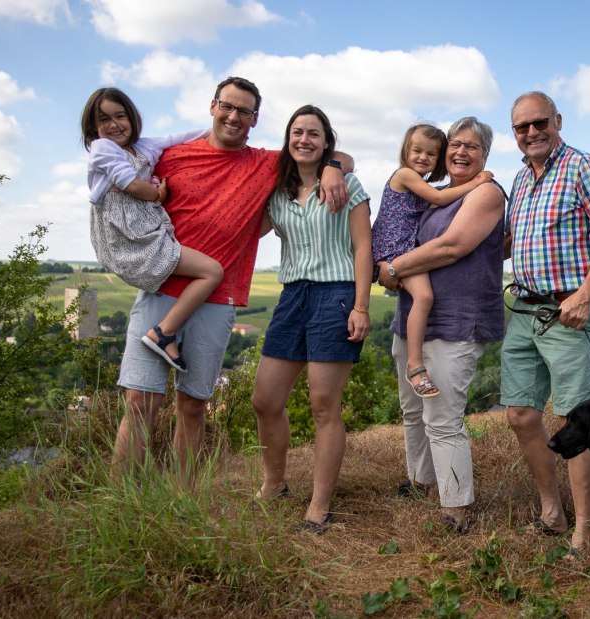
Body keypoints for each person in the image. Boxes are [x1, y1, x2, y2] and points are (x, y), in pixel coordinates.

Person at [111, 77, 352, 482]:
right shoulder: (172, 156)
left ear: (255, 119)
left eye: (244, 111)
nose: (234, 116)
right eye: (227, 106)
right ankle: (118, 500)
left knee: (192, 405)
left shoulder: (265, 164)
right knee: (139, 401)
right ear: (212, 106)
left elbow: (334, 154)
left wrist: (331, 168)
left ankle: (181, 500)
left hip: (216, 298)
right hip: (161, 287)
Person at [502, 91, 590, 554]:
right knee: (520, 413)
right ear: (514, 133)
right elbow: (508, 244)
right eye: (522, 127)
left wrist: (585, 294)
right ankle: (551, 509)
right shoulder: (520, 180)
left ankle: (584, 531)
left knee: (578, 421)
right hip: (524, 311)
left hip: (568, 312)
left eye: (540, 123)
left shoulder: (583, 166)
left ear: (557, 120)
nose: (532, 132)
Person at [377, 117, 506, 534]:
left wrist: (393, 266)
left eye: (471, 146)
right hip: (413, 318)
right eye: (455, 144)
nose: (460, 152)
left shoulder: (485, 193)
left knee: (443, 419)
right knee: (413, 411)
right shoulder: (433, 194)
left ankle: (455, 508)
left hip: (455, 321)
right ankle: (421, 481)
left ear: (485, 155)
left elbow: (451, 247)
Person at [250, 105, 372, 532]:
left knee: (323, 405)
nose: (304, 140)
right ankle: (274, 483)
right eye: (297, 132)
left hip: (335, 295)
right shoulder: (277, 193)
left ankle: (319, 506)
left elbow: (362, 248)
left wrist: (361, 306)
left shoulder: (347, 184)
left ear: (326, 142)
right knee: (265, 400)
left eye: (314, 134)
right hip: (291, 296)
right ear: (288, 138)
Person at [81, 87, 222, 371]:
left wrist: (218, 129)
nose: (113, 125)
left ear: (132, 117)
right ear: (93, 128)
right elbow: (130, 184)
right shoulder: (103, 148)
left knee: (207, 271)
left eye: (120, 116)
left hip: (145, 231)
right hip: (126, 239)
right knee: (212, 271)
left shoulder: (146, 146)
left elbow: (179, 138)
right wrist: (158, 194)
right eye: (104, 119)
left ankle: (165, 332)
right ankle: (163, 332)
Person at [371, 123, 494, 398]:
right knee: (424, 298)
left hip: (399, 252)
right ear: (405, 150)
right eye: (417, 150)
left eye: (430, 154)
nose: (423, 158)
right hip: (395, 251)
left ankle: (414, 364)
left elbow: (439, 205)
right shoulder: (405, 175)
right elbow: (439, 198)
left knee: (422, 298)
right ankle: (416, 365)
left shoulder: (421, 186)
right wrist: (476, 183)